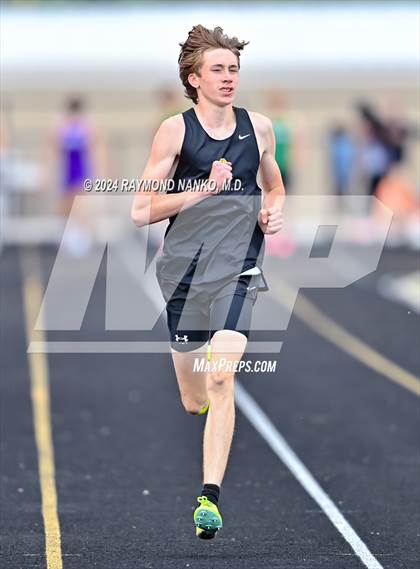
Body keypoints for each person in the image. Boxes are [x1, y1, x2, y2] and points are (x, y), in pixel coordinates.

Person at [131, 25, 285, 539]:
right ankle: (200, 403)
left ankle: (209, 497)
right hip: (183, 275)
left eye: (233, 69)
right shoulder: (174, 132)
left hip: (239, 269)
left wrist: (272, 213)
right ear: (194, 79)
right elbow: (141, 211)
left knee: (222, 378)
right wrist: (201, 189)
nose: (228, 77)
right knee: (194, 398)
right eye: (217, 69)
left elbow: (275, 184)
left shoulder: (258, 127)